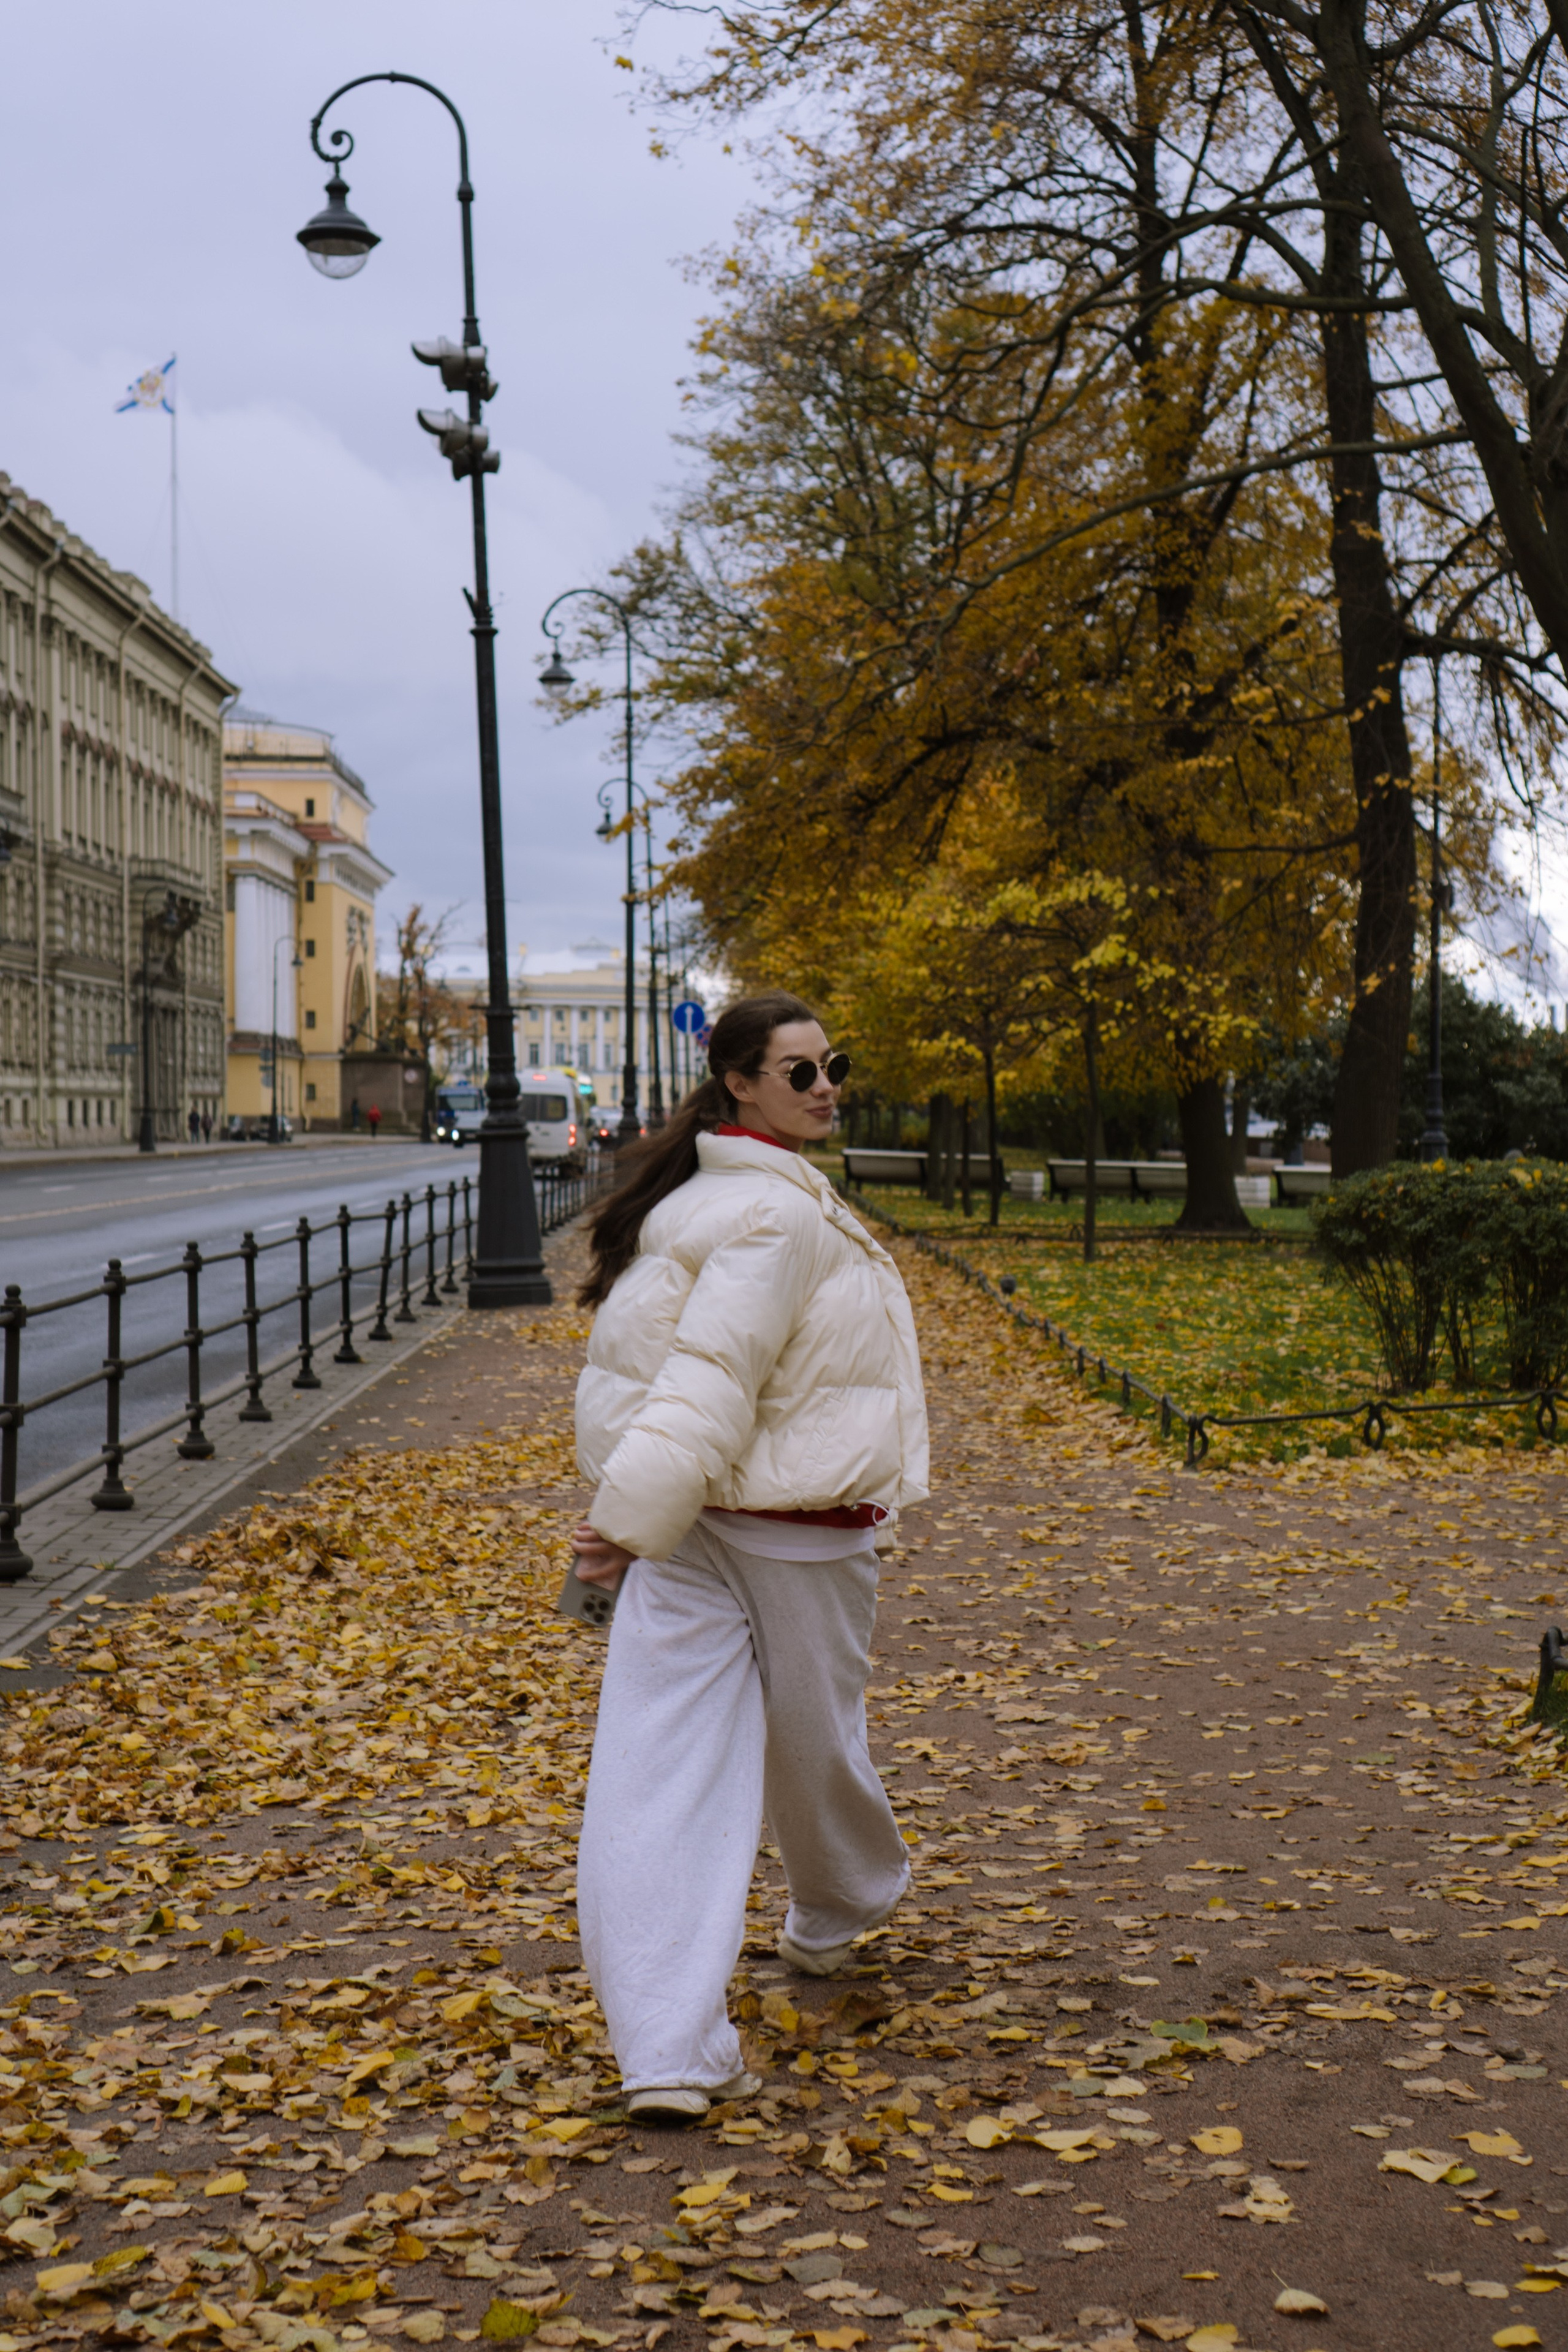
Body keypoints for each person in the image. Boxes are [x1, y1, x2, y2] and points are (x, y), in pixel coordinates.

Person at [570, 990, 929, 2124]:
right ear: (739, 1084)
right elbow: (705, 1386)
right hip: (780, 1531)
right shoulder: (774, 1217)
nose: (827, 1087)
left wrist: (638, 1522)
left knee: (661, 1769)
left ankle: (674, 2043)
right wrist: (621, 1529)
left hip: (699, 1529)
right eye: (800, 1073)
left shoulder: (711, 1197)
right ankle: (816, 1929)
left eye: (833, 1066)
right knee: (807, 1753)